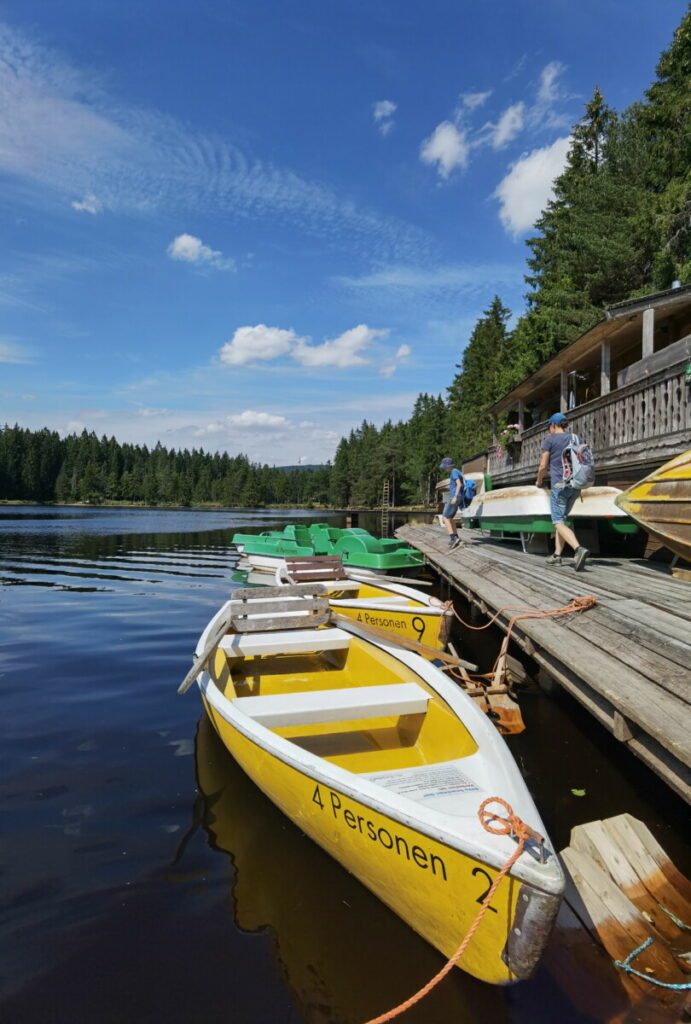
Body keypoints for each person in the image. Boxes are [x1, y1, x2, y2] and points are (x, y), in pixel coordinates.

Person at [535, 413, 589, 570]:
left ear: (553, 425)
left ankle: (578, 549)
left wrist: (539, 480)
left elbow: (543, 466)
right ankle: (557, 556)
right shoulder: (576, 438)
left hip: (560, 485)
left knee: (557, 521)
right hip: (576, 485)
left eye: (549, 427)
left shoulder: (549, 440)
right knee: (562, 521)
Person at [439, 457, 463, 550]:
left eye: (445, 467)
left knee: (445, 517)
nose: (444, 469)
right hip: (457, 497)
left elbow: (459, 484)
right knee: (450, 517)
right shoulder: (457, 471)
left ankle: (453, 538)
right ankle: (456, 537)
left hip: (454, 497)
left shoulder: (454, 472)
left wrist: (455, 496)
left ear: (448, 466)